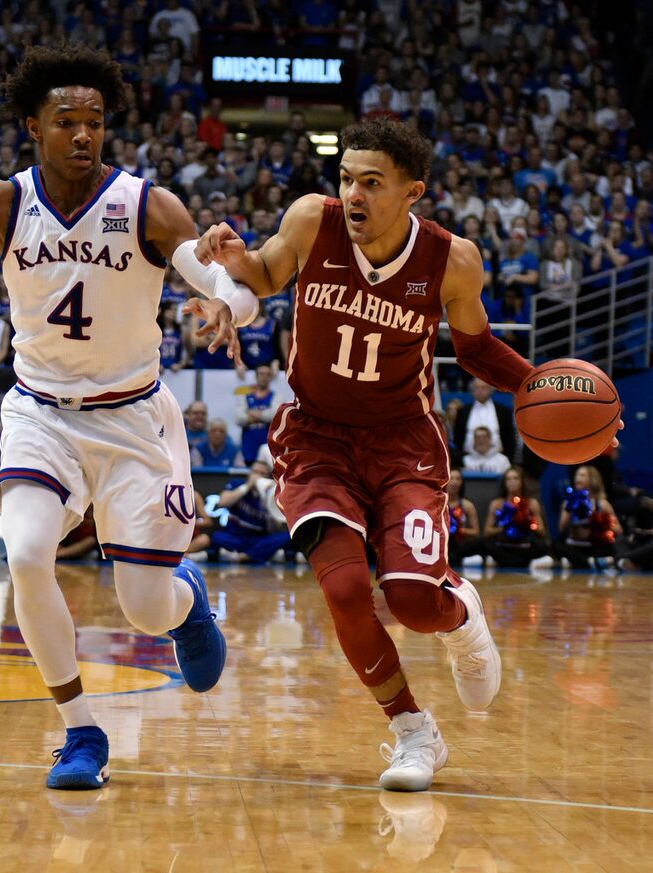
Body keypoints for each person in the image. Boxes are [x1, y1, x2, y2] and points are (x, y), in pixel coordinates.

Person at [0, 44, 260, 790]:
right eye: (65, 120)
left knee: (143, 611)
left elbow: (233, 285)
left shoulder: (147, 205)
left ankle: (186, 598)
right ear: (33, 126)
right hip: (41, 412)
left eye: (94, 121)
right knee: (28, 554)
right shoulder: (0, 202)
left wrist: (220, 302)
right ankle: (80, 732)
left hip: (136, 421)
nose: (82, 134)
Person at [195, 117, 558, 792]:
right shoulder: (312, 220)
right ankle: (414, 729)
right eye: (346, 178)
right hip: (315, 436)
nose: (353, 194)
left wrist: (544, 385)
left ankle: (461, 611)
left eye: (371, 182)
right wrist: (231, 274)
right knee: (343, 589)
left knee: (416, 602)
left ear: (411, 191)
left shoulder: (453, 259)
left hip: (402, 443)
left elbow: (475, 349)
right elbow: (267, 273)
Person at [186, 459, 292, 563]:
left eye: (262, 474)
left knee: (286, 537)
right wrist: (247, 487)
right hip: (235, 536)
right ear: (249, 473)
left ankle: (242, 557)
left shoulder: (270, 494)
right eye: (255, 472)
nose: (258, 476)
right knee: (216, 537)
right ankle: (260, 555)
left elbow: (275, 528)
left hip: (258, 538)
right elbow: (222, 502)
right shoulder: (237, 484)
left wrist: (269, 509)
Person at [554, 465, 622, 569]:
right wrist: (569, 511)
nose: (577, 478)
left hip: (594, 546)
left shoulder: (602, 504)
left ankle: (578, 562)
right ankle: (589, 562)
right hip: (575, 546)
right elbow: (561, 529)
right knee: (556, 546)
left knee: (611, 548)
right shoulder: (567, 503)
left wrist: (600, 522)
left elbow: (619, 530)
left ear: (592, 479)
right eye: (576, 475)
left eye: (582, 475)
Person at [483, 466, 550, 568]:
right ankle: (523, 563)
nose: (512, 482)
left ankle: (504, 562)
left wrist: (528, 522)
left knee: (545, 546)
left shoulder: (532, 503)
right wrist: (505, 525)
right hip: (503, 545)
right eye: (508, 479)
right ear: (504, 483)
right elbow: (487, 531)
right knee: (484, 544)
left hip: (524, 546)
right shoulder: (497, 503)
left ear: (521, 481)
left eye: (515, 478)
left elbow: (542, 531)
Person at [453, 378, 516, 463]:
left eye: (483, 387)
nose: (480, 391)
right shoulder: (463, 411)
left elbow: (509, 438)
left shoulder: (503, 411)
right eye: (476, 388)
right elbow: (457, 437)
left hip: (499, 460)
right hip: (468, 460)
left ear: (491, 389)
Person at [235, 364, 279, 464]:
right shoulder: (245, 397)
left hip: (268, 446)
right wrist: (264, 416)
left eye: (267, 374)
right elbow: (239, 418)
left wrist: (251, 413)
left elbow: (274, 416)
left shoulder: (276, 397)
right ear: (256, 376)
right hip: (248, 446)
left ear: (271, 377)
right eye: (261, 374)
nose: (264, 377)